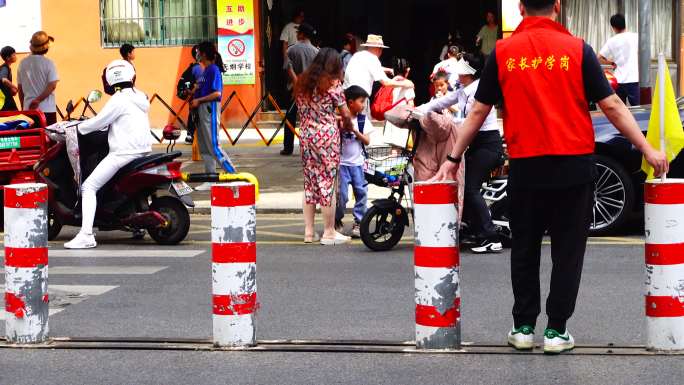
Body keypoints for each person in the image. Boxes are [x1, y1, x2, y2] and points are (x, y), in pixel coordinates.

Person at [430, 0, 668, 354]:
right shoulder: (576, 49)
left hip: (527, 166)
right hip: (573, 165)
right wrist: (647, 149)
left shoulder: (505, 52)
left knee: (524, 248)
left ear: (522, 7)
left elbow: (479, 109)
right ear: (557, 6)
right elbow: (613, 106)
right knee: (567, 250)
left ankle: (524, 326)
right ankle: (557, 330)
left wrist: (452, 157)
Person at [64, 60, 152, 249]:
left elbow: (98, 122)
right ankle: (135, 225)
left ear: (110, 78)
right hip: (143, 151)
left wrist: (76, 128)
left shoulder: (119, 98)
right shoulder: (140, 96)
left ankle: (86, 234)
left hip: (123, 153)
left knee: (88, 187)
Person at [420, 54, 503, 254]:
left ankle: (491, 237)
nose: (458, 74)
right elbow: (439, 103)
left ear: (469, 73)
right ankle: (474, 229)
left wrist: (450, 122)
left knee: (470, 189)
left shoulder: (480, 89)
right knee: (464, 186)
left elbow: (473, 120)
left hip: (488, 145)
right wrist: (418, 110)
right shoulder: (463, 90)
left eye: (461, 70)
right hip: (476, 145)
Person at [295, 48, 354, 245]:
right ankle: (329, 231)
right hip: (327, 139)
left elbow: (310, 111)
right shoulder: (333, 85)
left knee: (310, 183)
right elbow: (345, 114)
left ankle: (309, 232)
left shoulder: (302, 83)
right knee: (328, 184)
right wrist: (347, 125)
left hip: (306, 137)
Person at [191, 42, 234, 188]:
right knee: (204, 147)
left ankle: (233, 174)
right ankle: (210, 178)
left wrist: (199, 100)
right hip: (201, 110)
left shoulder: (213, 70)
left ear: (203, 54)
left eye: (198, 52)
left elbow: (217, 93)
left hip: (209, 109)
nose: (196, 54)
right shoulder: (205, 70)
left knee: (213, 145)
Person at [335, 85, 375, 238]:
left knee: (361, 193)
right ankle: (336, 219)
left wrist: (355, 131)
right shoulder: (339, 119)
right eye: (361, 101)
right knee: (341, 196)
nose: (363, 105)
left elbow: (367, 141)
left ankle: (359, 222)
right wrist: (341, 127)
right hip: (342, 165)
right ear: (350, 103)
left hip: (358, 165)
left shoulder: (362, 120)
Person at [343, 34, 414, 115]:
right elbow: (387, 83)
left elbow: (370, 68)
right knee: (361, 126)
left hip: (346, 99)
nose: (381, 51)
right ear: (378, 49)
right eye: (381, 49)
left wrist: (388, 70)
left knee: (350, 124)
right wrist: (405, 83)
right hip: (359, 100)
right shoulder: (373, 59)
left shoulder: (358, 55)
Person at [281, 23, 319, 156]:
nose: (296, 35)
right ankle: (311, 147)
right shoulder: (316, 52)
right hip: (310, 91)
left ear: (302, 34)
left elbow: (288, 68)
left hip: (293, 90)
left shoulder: (291, 50)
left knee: (290, 117)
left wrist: (297, 85)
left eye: (298, 33)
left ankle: (288, 148)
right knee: (310, 119)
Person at [17, 31, 59, 125]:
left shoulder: (22, 63)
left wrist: (24, 107)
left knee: (32, 138)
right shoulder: (49, 63)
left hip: (28, 110)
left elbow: (20, 88)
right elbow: (52, 85)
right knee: (48, 138)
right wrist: (38, 100)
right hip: (47, 110)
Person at [598, 14, 639, 106]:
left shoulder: (611, 41)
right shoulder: (635, 37)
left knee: (621, 110)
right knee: (638, 109)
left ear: (613, 27)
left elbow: (599, 57)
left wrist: (611, 62)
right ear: (625, 24)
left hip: (619, 80)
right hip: (634, 79)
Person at [178, 45, 202, 144]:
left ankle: (190, 135)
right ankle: (194, 136)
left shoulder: (193, 67)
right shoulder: (198, 68)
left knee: (192, 115)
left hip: (192, 96)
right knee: (197, 115)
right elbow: (201, 83)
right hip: (198, 97)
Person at [0, 46, 18, 111]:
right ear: (8, 58)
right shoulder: (5, 68)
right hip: (5, 101)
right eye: (14, 55)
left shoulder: (6, 67)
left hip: (7, 99)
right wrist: (15, 87)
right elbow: (4, 80)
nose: (16, 56)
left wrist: (11, 89)